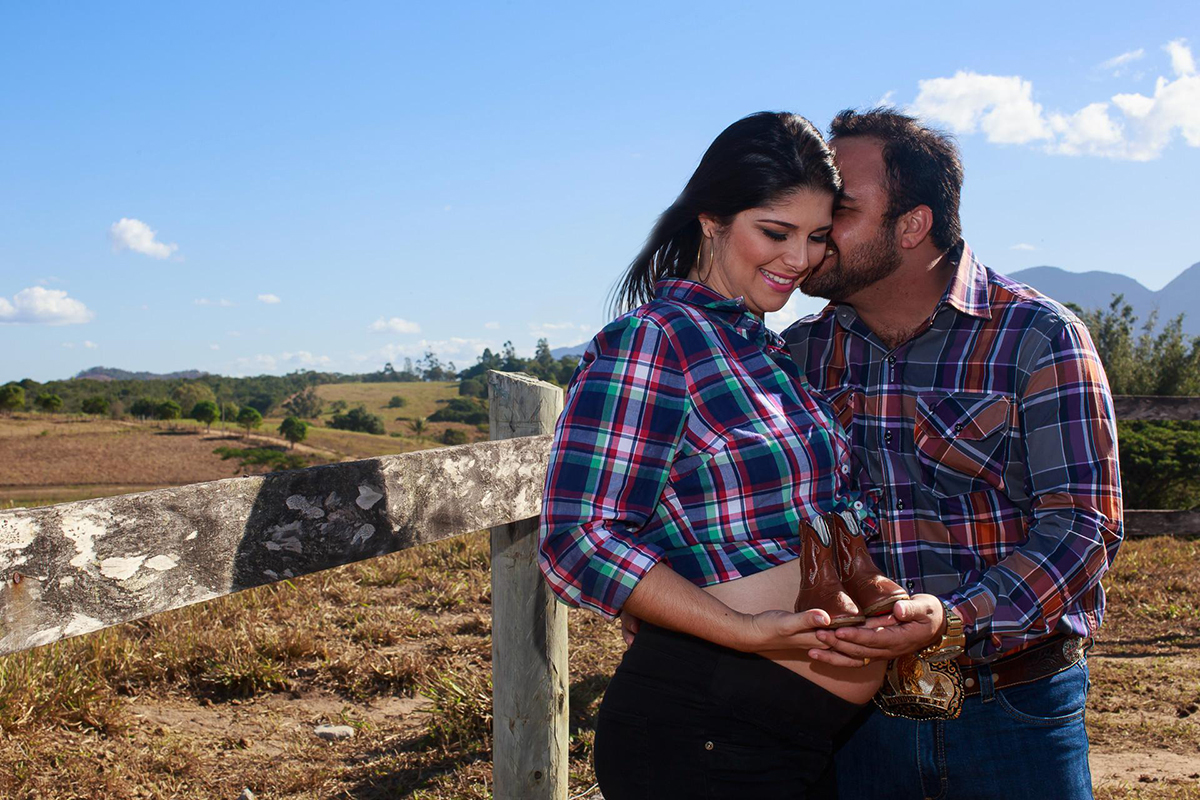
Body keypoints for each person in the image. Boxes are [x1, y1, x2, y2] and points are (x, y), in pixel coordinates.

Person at [537, 111, 905, 799]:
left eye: (817, 237)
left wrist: (880, 597)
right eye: (775, 232)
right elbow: (577, 538)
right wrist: (742, 631)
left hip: (794, 738)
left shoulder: (763, 350)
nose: (799, 261)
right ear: (710, 219)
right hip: (705, 734)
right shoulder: (655, 339)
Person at [783, 108, 1123, 799]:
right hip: (852, 715)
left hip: (1013, 710)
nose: (812, 226)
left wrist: (956, 617)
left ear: (912, 226)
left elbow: (1085, 525)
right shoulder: (798, 355)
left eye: (839, 206)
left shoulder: (1038, 338)